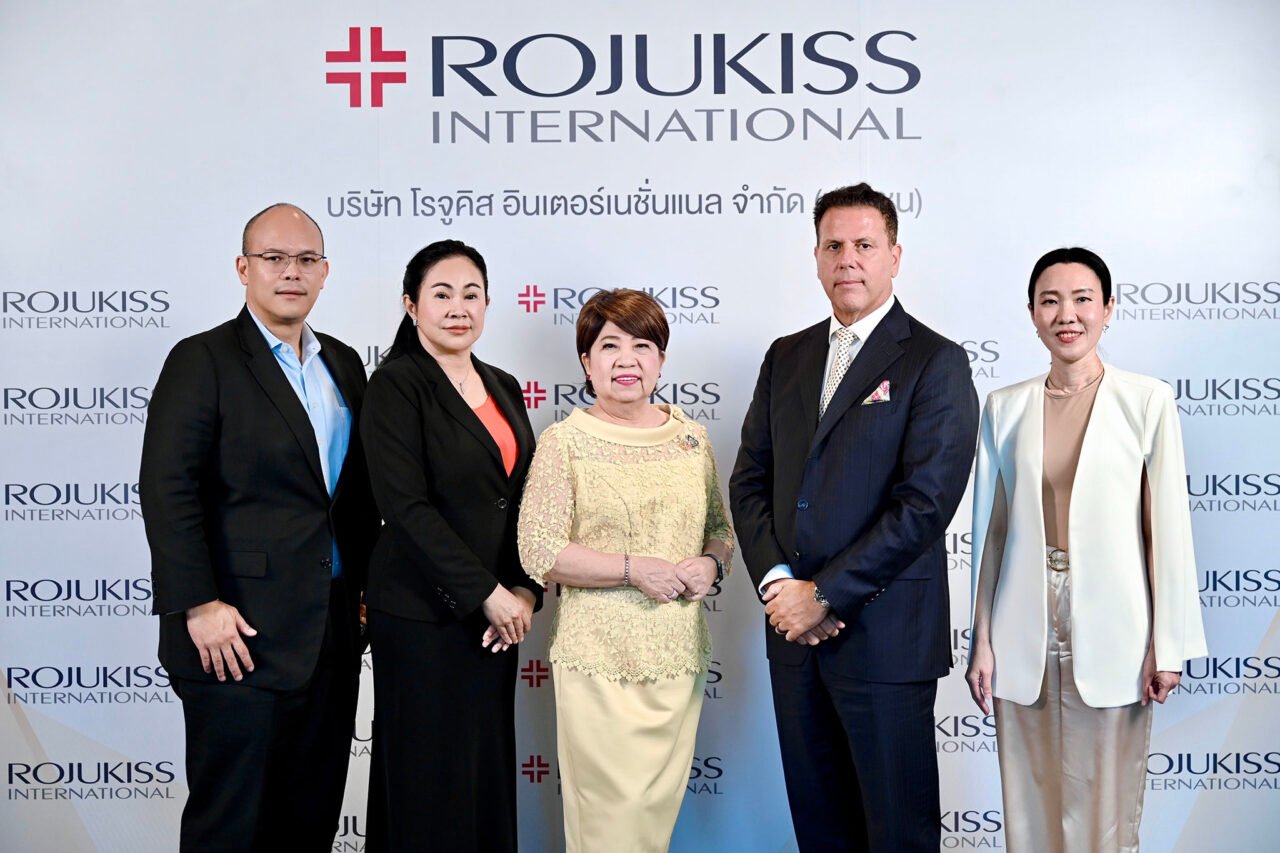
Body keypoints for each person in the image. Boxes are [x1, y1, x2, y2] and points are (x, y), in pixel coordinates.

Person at [729, 183, 979, 852]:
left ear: (894, 256)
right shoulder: (786, 355)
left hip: (885, 640)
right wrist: (782, 587)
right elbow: (750, 481)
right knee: (821, 832)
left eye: (864, 245)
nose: (848, 259)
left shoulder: (935, 360)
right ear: (815, 257)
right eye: (833, 245)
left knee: (897, 834)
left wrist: (826, 594)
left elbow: (925, 503)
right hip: (794, 639)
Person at [139, 203, 380, 850]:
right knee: (233, 828)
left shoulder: (345, 365)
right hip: (235, 634)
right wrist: (199, 603)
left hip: (330, 634)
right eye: (274, 258)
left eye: (305, 259)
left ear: (324, 272)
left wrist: (365, 589)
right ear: (244, 269)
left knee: (310, 824)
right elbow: (168, 488)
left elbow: (353, 497)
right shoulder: (203, 359)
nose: (290, 272)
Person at [966, 247, 1207, 853]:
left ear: (1108, 309)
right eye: (1050, 301)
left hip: (1116, 623)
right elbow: (992, 534)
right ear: (1032, 313)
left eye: (1082, 300)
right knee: (1029, 797)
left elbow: (1165, 532)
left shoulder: (1146, 401)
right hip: (1023, 619)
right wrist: (981, 640)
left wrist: (1167, 644)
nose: (1066, 315)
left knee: (1105, 804)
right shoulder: (1004, 407)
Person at [517, 288, 734, 853]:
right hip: (599, 663)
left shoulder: (691, 439)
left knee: (651, 827)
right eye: (609, 346)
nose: (626, 360)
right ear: (587, 362)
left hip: (676, 659)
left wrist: (710, 563)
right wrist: (633, 569)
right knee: (606, 825)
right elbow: (539, 550)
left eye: (642, 346)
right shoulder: (564, 443)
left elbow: (720, 529)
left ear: (661, 360)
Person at [360, 239, 542, 853]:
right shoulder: (395, 385)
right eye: (441, 295)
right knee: (427, 785)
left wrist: (523, 589)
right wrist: (485, 591)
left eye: (471, 295)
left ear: (488, 304)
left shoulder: (504, 385)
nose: (458, 308)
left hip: (497, 621)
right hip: (423, 614)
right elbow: (405, 508)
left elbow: (520, 500)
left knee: (483, 776)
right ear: (412, 306)